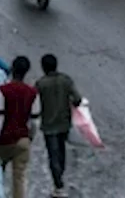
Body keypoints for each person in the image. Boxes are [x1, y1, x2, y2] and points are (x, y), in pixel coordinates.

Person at [35, 53, 82, 198]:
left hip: (48, 125)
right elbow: (78, 98)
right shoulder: (65, 80)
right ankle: (60, 178)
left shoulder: (40, 84)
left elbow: (34, 104)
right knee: (61, 151)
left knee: (52, 154)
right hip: (64, 123)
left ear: (43, 67)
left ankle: (58, 185)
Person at [0, 55, 40, 198]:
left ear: (12, 69)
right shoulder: (32, 93)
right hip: (22, 140)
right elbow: (35, 121)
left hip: (4, 140)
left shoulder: (2, 91)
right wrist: (30, 137)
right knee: (19, 178)